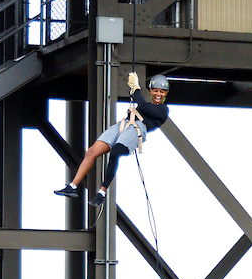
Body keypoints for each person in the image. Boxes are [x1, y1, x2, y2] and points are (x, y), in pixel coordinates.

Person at [54, 73, 170, 207]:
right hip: (125, 124)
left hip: (137, 129)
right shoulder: (149, 105)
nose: (158, 94)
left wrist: (136, 88)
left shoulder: (163, 110)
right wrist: (134, 90)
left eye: (161, 92)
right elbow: (142, 105)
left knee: (115, 152)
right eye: (156, 91)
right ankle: (73, 186)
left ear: (165, 94)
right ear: (151, 91)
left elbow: (143, 107)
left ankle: (101, 193)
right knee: (92, 151)